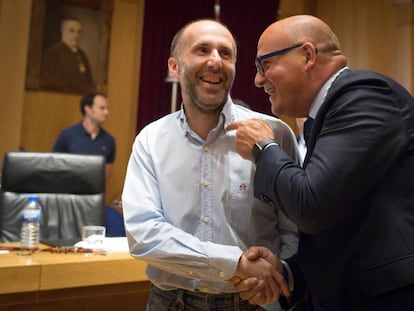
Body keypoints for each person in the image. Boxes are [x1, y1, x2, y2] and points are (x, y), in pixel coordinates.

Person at [226, 14, 414, 310]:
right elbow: (341, 225)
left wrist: (264, 147)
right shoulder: (328, 113)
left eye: (265, 65)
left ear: (307, 54)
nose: (258, 79)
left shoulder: (364, 96)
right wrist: (287, 274)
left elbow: (311, 206)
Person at [121, 19, 300, 311]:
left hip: (256, 301)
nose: (215, 61)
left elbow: (293, 227)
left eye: (225, 53)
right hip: (172, 301)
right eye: (202, 50)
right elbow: (143, 234)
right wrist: (236, 264)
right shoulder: (151, 140)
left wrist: (278, 272)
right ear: (174, 67)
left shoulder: (275, 134)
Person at [53, 92, 115, 181]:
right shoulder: (67, 135)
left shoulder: (109, 141)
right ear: (88, 109)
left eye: (107, 108)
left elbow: (105, 175)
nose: (107, 112)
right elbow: (55, 166)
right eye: (102, 108)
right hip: (69, 190)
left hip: (95, 192)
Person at [41, 17, 95, 94]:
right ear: (63, 31)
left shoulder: (82, 55)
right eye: (71, 31)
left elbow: (89, 81)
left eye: (79, 32)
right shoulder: (52, 53)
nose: (76, 35)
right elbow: (50, 82)